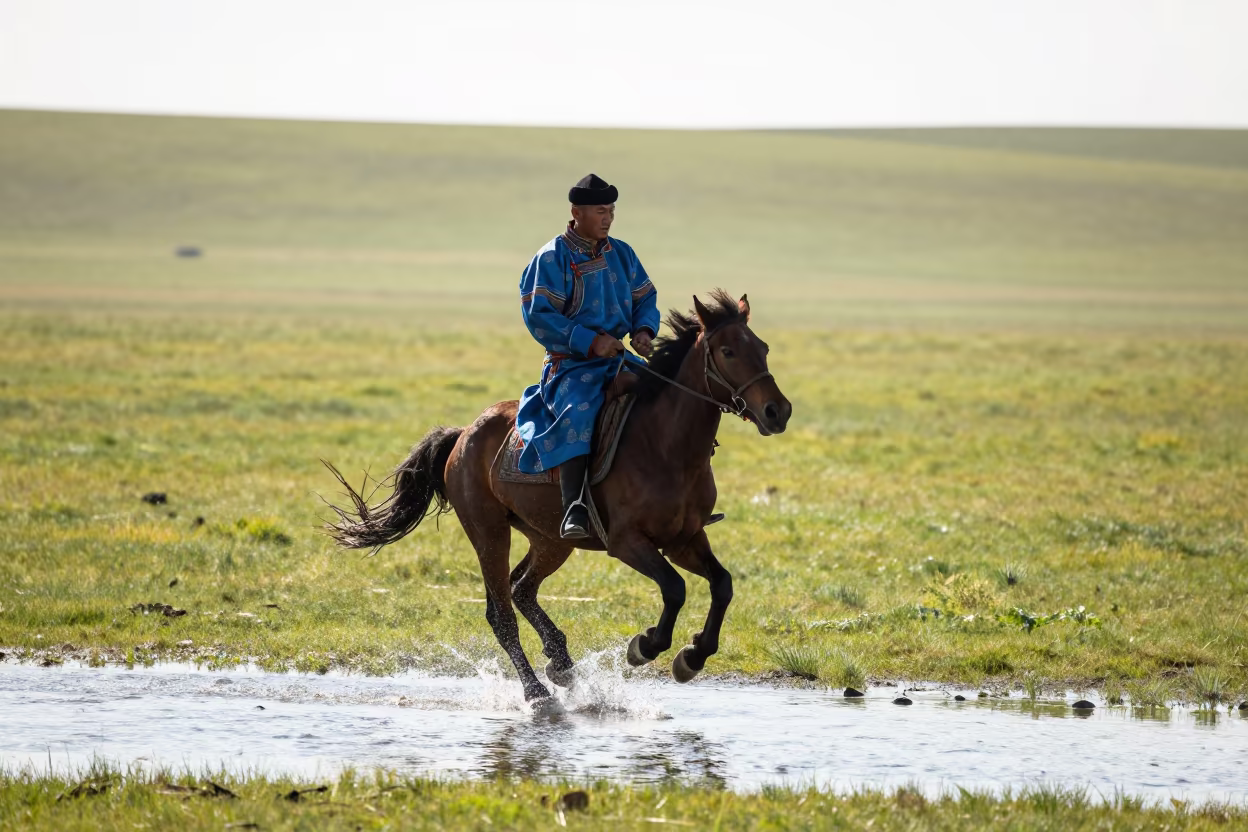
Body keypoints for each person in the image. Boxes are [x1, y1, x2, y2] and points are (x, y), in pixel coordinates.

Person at [515, 173, 660, 539]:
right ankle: (575, 507)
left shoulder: (623, 254)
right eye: (600, 211)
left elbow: (645, 297)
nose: (608, 218)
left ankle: (672, 495)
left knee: (666, 397)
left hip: (618, 361)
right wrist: (589, 341)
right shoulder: (551, 258)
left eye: (611, 210)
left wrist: (644, 330)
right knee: (580, 412)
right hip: (570, 367)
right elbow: (539, 315)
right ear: (576, 212)